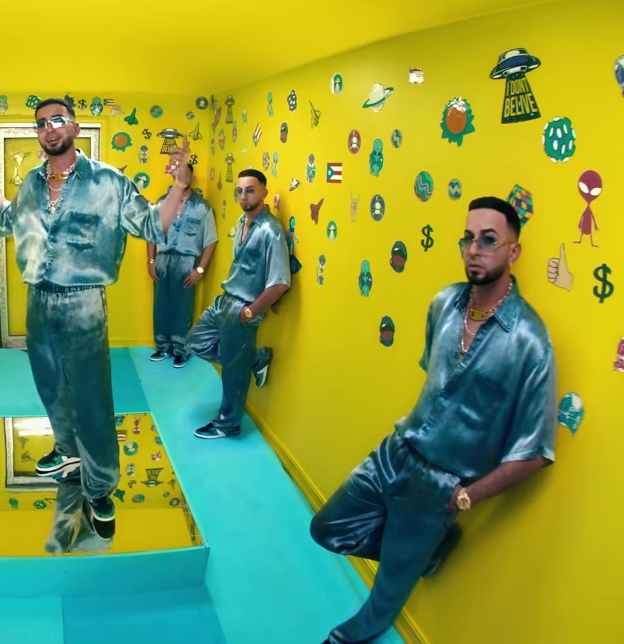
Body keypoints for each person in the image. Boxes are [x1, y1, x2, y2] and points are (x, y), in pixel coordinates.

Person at [309, 196, 558, 644]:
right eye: (468, 239)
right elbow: (436, 381)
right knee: (325, 528)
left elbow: (536, 452)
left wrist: (464, 498)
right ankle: (428, 550)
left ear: (513, 251)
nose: (474, 249)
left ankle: (355, 631)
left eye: (489, 240)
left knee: (385, 594)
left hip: (441, 485)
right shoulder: (444, 303)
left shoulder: (530, 342)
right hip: (397, 451)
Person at [0, 97, 189, 539]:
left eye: (58, 120)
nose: (49, 128)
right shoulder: (32, 182)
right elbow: (7, 221)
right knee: (50, 387)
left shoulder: (108, 181)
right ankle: (68, 450)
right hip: (37, 299)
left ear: (75, 126)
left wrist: (180, 187)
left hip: (84, 301)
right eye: (41, 124)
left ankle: (100, 487)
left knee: (91, 398)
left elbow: (151, 225)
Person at [185, 169, 289, 439]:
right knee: (195, 342)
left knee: (233, 373)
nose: (244, 196)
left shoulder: (271, 231)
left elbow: (280, 282)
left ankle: (227, 424)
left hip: (243, 308)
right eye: (240, 191)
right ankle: (255, 358)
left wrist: (251, 311)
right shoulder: (243, 221)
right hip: (225, 300)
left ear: (264, 192)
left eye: (250, 190)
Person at [147, 152, 217, 368]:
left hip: (187, 262)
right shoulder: (161, 203)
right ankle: (163, 346)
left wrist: (200, 270)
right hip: (162, 260)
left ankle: (181, 349)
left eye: (185, 173)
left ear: (192, 178)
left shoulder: (202, 207)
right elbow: (151, 235)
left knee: (183, 307)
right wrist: (151, 262)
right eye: (178, 173)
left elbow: (211, 241)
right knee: (161, 306)